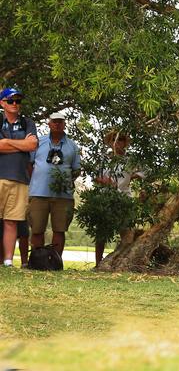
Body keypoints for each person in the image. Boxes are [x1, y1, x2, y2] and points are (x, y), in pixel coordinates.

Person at [27, 112, 81, 256]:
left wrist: (64, 181)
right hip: (39, 193)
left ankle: (56, 262)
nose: (57, 124)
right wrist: (37, 180)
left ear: (64, 125)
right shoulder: (39, 142)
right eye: (54, 121)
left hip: (63, 195)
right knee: (37, 229)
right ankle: (38, 260)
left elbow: (76, 170)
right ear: (49, 124)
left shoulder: (72, 146)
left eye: (60, 122)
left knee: (60, 229)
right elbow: (29, 164)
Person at [93, 131, 144, 266]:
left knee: (126, 232)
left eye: (120, 139)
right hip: (105, 198)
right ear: (110, 143)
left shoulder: (130, 160)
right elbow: (95, 176)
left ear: (125, 143)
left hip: (124, 198)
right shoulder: (104, 159)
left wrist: (128, 178)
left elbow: (144, 172)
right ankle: (98, 264)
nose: (117, 143)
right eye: (113, 140)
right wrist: (105, 181)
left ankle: (124, 263)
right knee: (101, 233)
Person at [0, 87, 38, 267]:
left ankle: (8, 261)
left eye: (18, 101)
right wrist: (21, 144)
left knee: (11, 221)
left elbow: (32, 145)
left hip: (20, 178)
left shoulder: (27, 123)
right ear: (2, 103)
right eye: (10, 101)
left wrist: (7, 143)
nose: (15, 104)